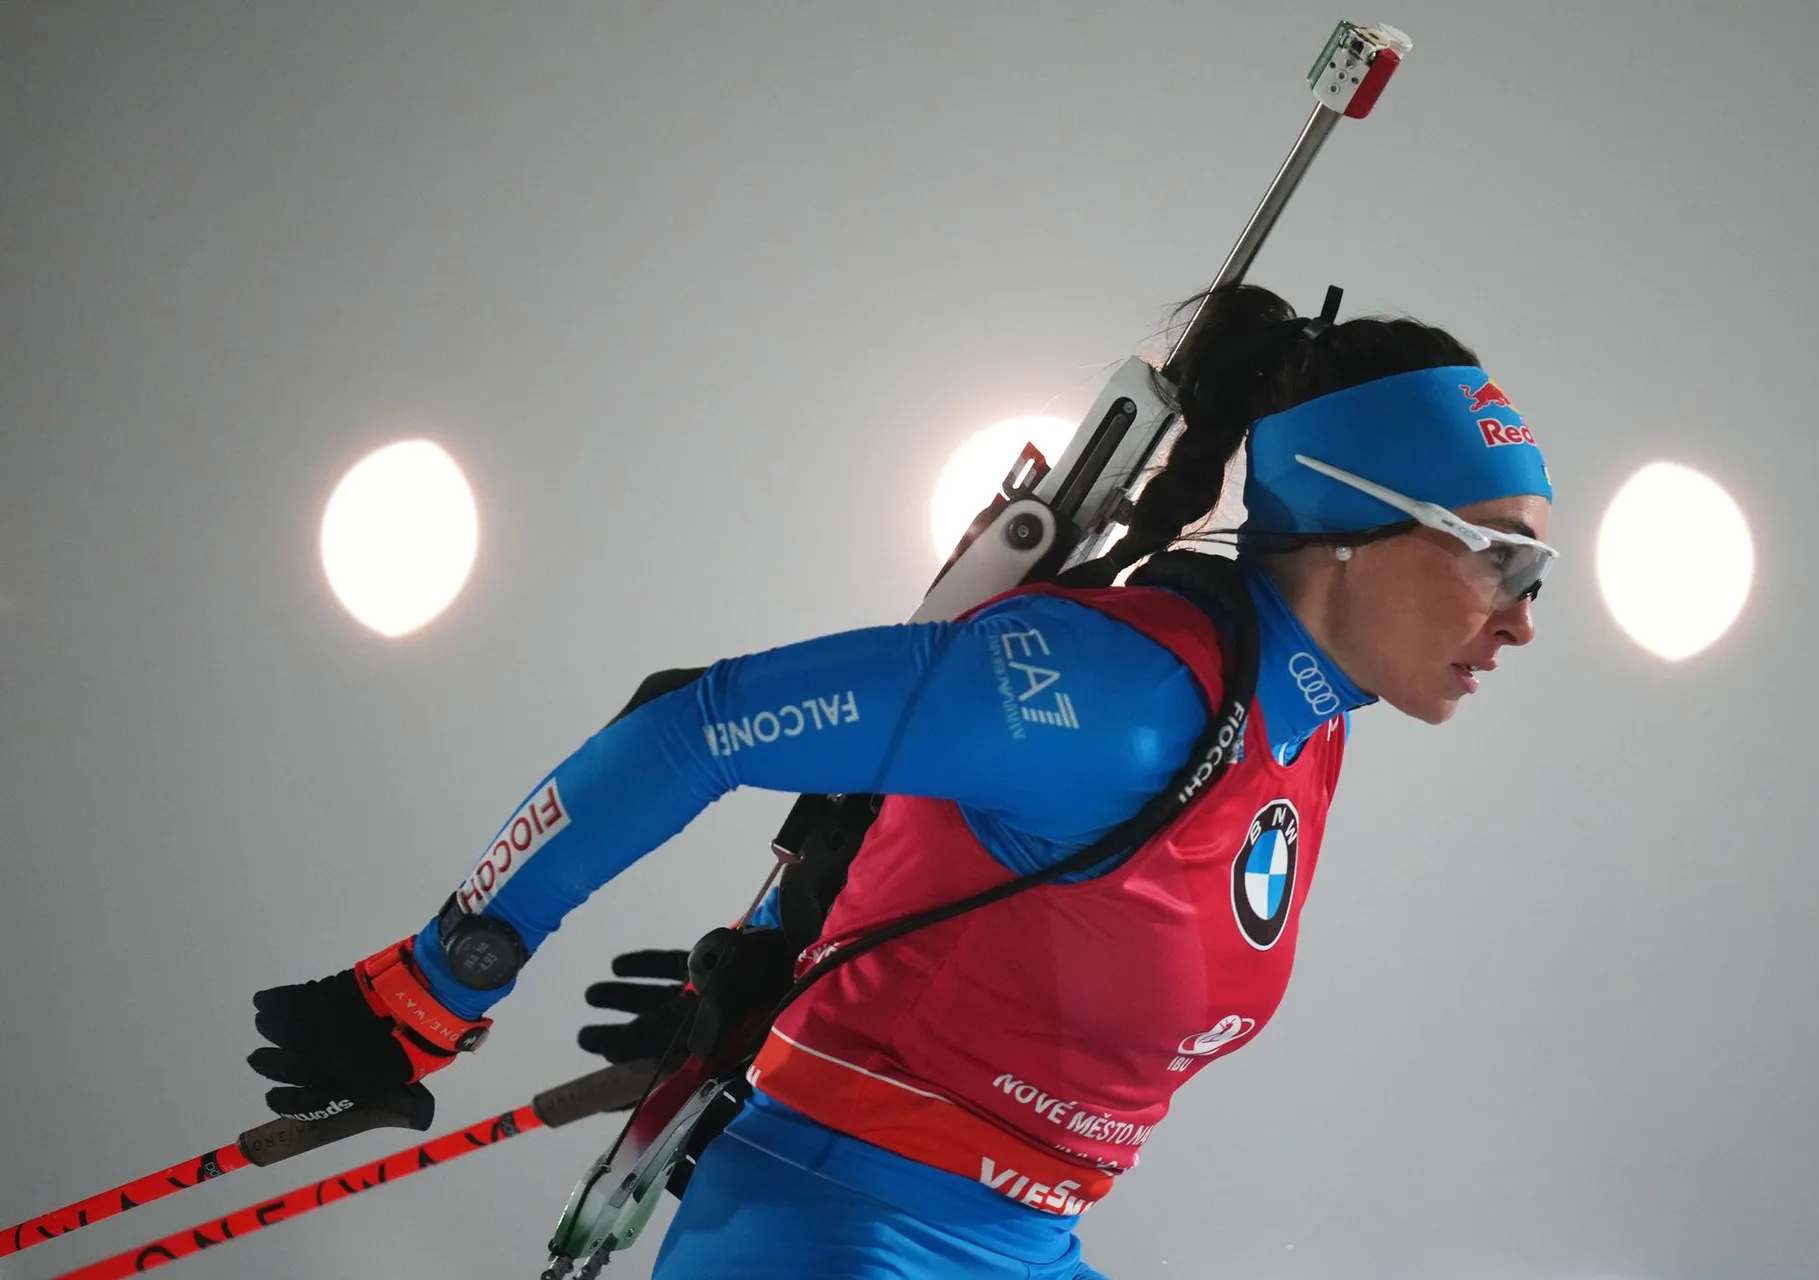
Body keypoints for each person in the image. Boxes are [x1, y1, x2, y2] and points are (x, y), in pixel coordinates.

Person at [247, 283, 1556, 1278]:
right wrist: (442, 975)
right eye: (1498, 557)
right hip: (841, 1238)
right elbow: (702, 721)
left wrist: (768, 980)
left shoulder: (1304, 726)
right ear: (1351, 520)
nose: (1523, 618)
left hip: (1020, 1246)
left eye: (1539, 573)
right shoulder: (1121, 692)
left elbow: (955, 864)